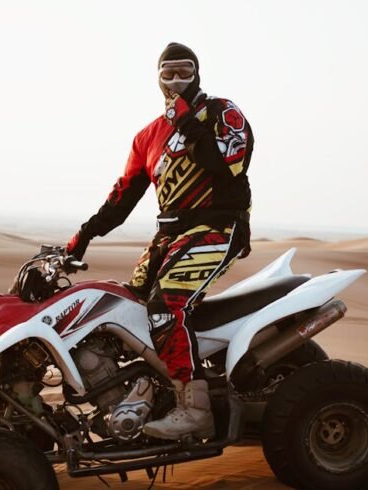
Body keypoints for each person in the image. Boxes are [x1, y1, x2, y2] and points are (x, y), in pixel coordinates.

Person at [66, 42, 253, 440]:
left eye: (184, 72)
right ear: (156, 78)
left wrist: (187, 122)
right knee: (126, 307)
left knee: (165, 305)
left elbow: (228, 168)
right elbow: (121, 198)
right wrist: (83, 236)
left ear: (198, 73)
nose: (176, 81)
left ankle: (194, 408)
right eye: (168, 73)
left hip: (219, 225)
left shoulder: (223, 112)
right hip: (169, 233)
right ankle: (146, 388)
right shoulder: (147, 136)